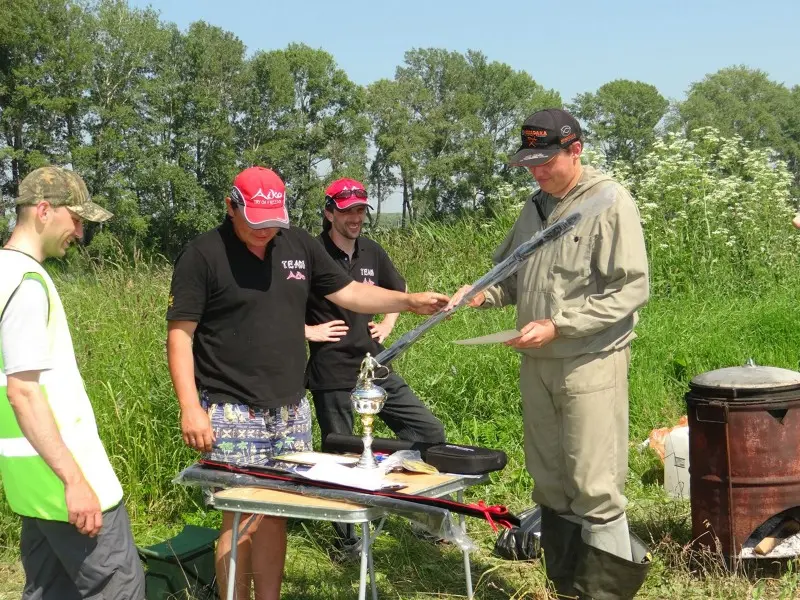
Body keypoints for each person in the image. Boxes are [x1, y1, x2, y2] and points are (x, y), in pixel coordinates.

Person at [166, 166, 448, 600]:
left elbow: (350, 293)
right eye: (255, 222)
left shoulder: (297, 244)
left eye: (273, 222)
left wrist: (406, 301)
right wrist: (190, 407)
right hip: (231, 408)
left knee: (275, 511)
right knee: (239, 513)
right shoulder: (203, 254)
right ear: (231, 207)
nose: (265, 232)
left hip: (290, 409)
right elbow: (180, 336)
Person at [449, 109, 651, 599]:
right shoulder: (534, 208)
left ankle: (604, 593)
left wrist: (559, 325)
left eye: (545, 162)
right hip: (537, 364)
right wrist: (480, 294)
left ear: (575, 149)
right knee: (551, 482)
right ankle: (567, 588)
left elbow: (631, 289)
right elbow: (513, 277)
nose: (536, 172)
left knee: (593, 484)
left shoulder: (609, 202)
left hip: (590, 361)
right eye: (529, 163)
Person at [0, 166, 145, 600]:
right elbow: (23, 391)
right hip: (67, 480)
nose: (80, 233)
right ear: (44, 211)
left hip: (28, 482)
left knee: (49, 591)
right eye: (76, 219)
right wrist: (74, 481)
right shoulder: (27, 283)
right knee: (119, 588)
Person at [305, 178, 447, 553]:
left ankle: (420, 515)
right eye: (346, 211)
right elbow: (279, 305)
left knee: (429, 431)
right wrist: (308, 330)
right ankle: (346, 541)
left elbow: (399, 290)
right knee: (339, 454)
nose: (355, 218)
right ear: (329, 213)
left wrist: (387, 323)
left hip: (375, 365)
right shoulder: (312, 253)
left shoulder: (372, 251)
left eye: (360, 210)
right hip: (332, 371)